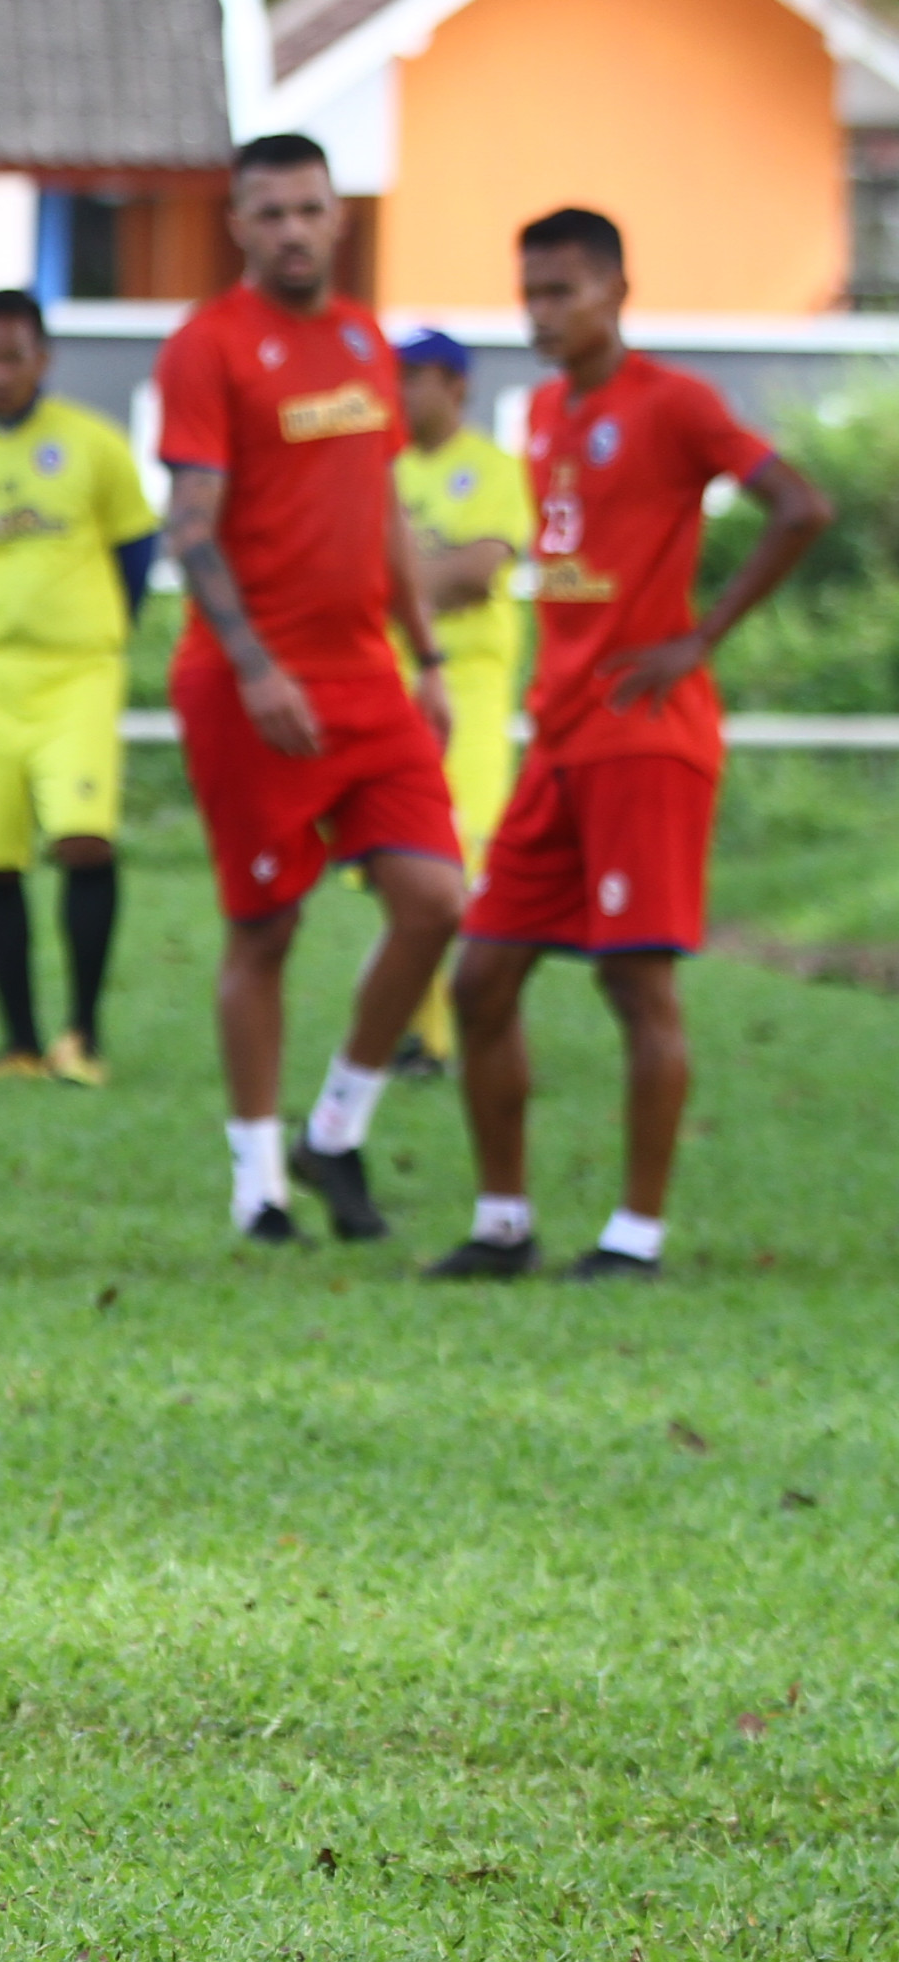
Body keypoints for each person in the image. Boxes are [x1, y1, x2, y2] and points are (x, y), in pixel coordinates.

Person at [426, 209, 830, 1281]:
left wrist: (697, 639)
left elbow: (799, 506)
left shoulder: (675, 403)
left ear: (615, 290)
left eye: (563, 291)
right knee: (480, 979)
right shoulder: (548, 412)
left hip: (646, 739)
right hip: (557, 735)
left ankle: (633, 1238)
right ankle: (502, 1224)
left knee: (636, 989)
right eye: (532, 294)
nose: (543, 313)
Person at [154, 133, 464, 1245]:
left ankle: (336, 1127)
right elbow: (187, 527)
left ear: (340, 217)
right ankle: (259, 1187)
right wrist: (254, 667)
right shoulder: (208, 347)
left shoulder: (365, 339)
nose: (291, 229)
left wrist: (426, 654)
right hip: (251, 686)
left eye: (308, 209)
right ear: (238, 226)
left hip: (369, 681)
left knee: (437, 905)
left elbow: (381, 506)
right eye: (269, 212)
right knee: (266, 929)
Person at [0, 288, 157, 1090]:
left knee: (84, 838)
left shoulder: (96, 446)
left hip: (78, 671)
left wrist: (92, 625)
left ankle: (80, 1033)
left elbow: (136, 556)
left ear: (43, 358)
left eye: (15, 355)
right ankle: (16, 1042)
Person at [385, 327, 536, 1077]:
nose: (400, 389)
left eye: (415, 375)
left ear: (456, 386)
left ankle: (457, 1026)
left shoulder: (494, 469)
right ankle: (426, 1028)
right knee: (404, 863)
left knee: (462, 851)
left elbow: (476, 572)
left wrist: (400, 577)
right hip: (390, 683)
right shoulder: (378, 470)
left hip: (468, 690)